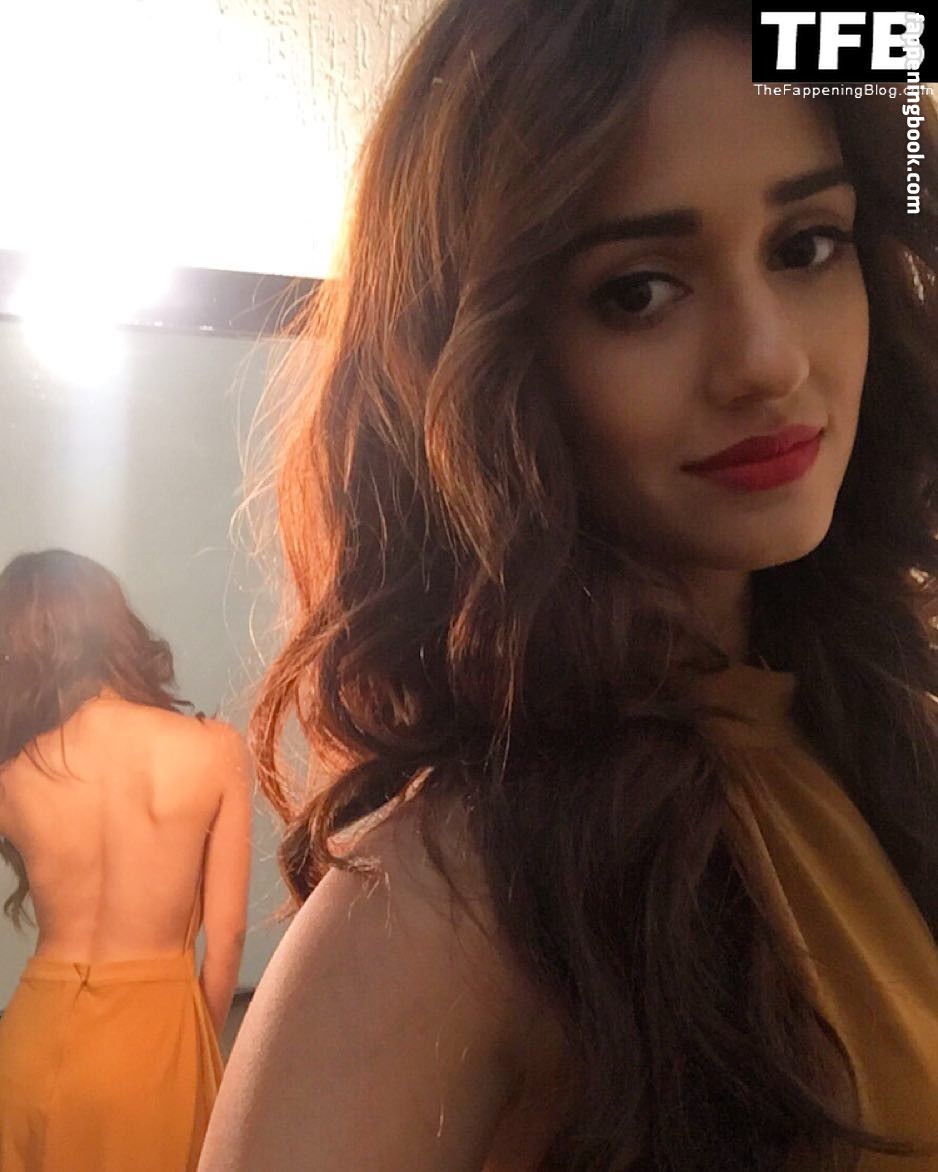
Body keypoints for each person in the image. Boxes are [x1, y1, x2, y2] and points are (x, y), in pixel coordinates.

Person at [199, 0, 938, 1168]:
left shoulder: (857, 743)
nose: (766, 360)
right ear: (486, 362)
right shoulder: (451, 895)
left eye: (804, 246)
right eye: (637, 291)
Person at [0, 549, 252, 1172]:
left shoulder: (13, 773)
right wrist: (193, 1048)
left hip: (33, 1037)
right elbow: (227, 939)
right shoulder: (213, 750)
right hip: (152, 1042)